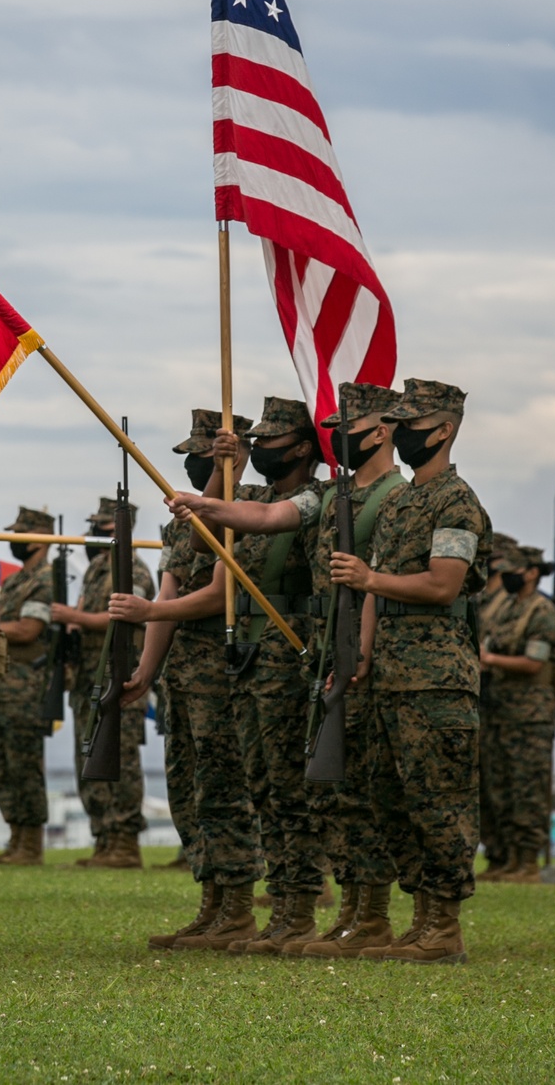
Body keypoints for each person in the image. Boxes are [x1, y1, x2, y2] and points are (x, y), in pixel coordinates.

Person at [167, 385, 402, 960]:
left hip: (306, 651)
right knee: (268, 787)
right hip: (270, 658)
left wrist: (212, 497)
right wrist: (215, 486)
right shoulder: (315, 498)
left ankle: (339, 909)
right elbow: (249, 518)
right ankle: (293, 910)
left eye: (269, 440)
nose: (260, 447)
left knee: (324, 790)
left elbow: (273, 519)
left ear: (301, 448)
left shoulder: (338, 495)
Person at [330, 378, 491, 964]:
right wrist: (361, 658)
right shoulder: (399, 502)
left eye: (412, 424)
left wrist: (369, 581)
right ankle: (419, 920)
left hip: (435, 676)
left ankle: (443, 926)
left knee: (439, 801)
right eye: (396, 424)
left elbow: (442, 582)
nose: (400, 435)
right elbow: (370, 592)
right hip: (389, 675)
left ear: (444, 429)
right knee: (392, 799)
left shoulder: (456, 501)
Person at [113, 408, 262, 949]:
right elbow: (170, 591)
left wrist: (148, 616)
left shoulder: (249, 512)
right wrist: (146, 670)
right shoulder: (186, 519)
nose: (196, 466)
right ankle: (212, 904)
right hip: (184, 677)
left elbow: (220, 593)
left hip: (225, 673)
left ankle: (239, 907)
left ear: (233, 456)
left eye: (206, 456)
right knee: (189, 790)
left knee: (224, 789)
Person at [52, 496, 154, 869]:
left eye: (103, 527)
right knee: (91, 757)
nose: (94, 533)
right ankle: (104, 839)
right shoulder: (97, 569)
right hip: (88, 678)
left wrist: (73, 615)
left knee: (121, 759)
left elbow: (125, 618)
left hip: (117, 677)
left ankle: (125, 842)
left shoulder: (133, 570)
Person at [480, 543, 555, 884]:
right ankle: (506, 860)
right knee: (501, 788)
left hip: (530, 715)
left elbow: (533, 662)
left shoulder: (541, 610)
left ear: (531, 573)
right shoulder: (507, 608)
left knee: (527, 788)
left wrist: (491, 660)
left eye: (514, 570)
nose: (507, 575)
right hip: (501, 712)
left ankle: (527, 862)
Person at [0, 506, 56, 867]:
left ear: (40, 538)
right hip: (0, 684)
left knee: (24, 765)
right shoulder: (14, 581)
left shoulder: (46, 579)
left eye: (21, 534)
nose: (15, 541)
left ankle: (31, 845)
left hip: (26, 687)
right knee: (1, 765)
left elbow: (28, 630)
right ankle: (15, 838)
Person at [475, 534, 520, 881]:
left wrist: (488, 658)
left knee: (517, 785)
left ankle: (520, 858)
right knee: (489, 787)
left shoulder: (518, 605)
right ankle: (498, 855)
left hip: (517, 707)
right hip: (487, 702)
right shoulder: (484, 600)